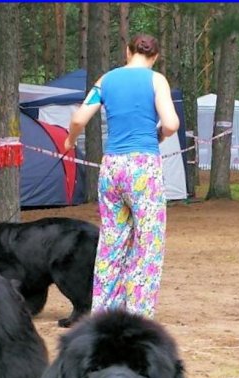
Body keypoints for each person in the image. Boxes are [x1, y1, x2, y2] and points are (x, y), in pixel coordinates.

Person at [63, 33, 180, 318]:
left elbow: (79, 119)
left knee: (111, 242)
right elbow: (172, 123)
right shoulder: (156, 80)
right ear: (155, 57)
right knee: (147, 243)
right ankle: (138, 314)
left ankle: (104, 314)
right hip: (143, 168)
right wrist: (159, 136)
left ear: (128, 52)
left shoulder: (106, 80)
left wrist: (69, 140)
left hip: (112, 166)